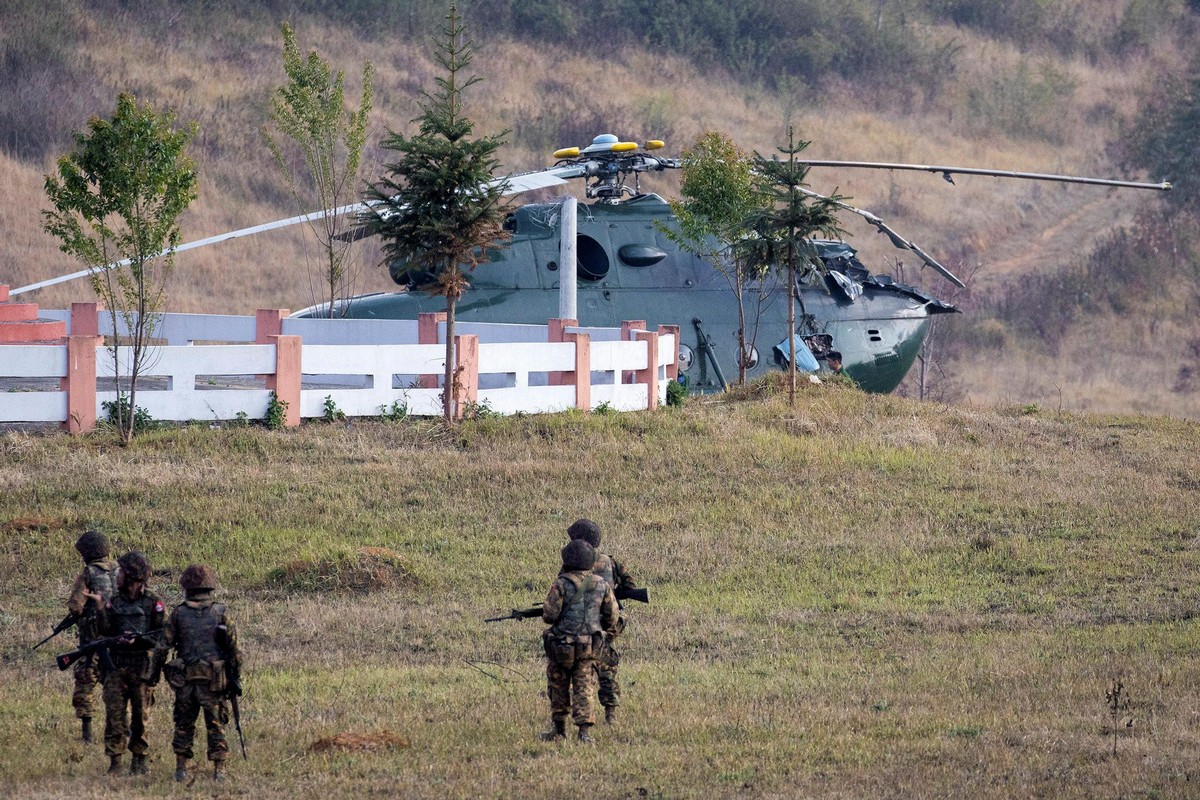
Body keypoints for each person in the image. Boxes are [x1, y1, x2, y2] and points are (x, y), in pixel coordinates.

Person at [156, 564, 242, 783]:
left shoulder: (178, 613)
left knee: (184, 723)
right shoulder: (221, 612)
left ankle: (180, 768)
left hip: (186, 680)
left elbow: (162, 647)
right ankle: (219, 770)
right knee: (215, 725)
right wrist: (235, 677)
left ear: (186, 587)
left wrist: (153, 674)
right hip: (213, 681)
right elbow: (235, 652)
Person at [540, 539, 618, 744]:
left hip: (562, 647)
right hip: (588, 648)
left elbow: (549, 615)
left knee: (558, 685)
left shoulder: (561, 584)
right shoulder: (601, 584)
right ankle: (584, 734)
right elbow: (612, 617)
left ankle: (559, 730)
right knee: (584, 688)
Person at [96, 551, 164, 776]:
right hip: (116, 667)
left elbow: (161, 637)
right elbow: (104, 631)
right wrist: (99, 609)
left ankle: (139, 760)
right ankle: (115, 762)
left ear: (133, 576)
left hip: (141, 667)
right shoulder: (114, 602)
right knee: (114, 715)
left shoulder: (153, 602)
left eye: (122, 572)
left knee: (140, 717)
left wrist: (139, 639)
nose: (117, 575)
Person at [567, 518, 637, 724]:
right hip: (610, 622)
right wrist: (611, 594)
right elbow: (631, 587)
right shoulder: (611, 561)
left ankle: (579, 711)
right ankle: (610, 714)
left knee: (582, 667)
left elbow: (566, 590)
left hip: (585, 623)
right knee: (607, 666)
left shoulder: (572, 563)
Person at [65, 530, 118, 744]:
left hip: (93, 641)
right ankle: (120, 728)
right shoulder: (119, 569)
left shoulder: (88, 572)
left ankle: (87, 736)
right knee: (114, 685)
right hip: (117, 640)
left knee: (85, 684)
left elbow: (75, 606)